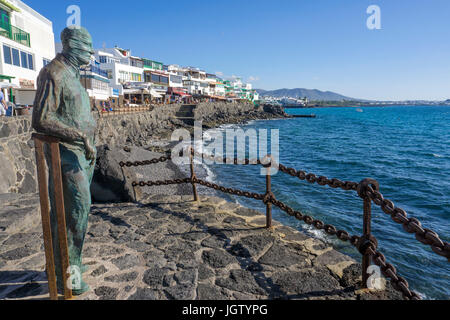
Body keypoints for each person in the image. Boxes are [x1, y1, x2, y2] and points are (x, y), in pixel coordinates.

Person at [32, 26, 96, 295]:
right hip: (65, 153)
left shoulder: (73, 74)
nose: (91, 53)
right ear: (72, 46)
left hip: (83, 154)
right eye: (87, 47)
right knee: (77, 211)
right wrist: (79, 134)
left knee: (70, 214)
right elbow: (41, 119)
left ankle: (63, 268)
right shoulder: (53, 73)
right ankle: (68, 274)